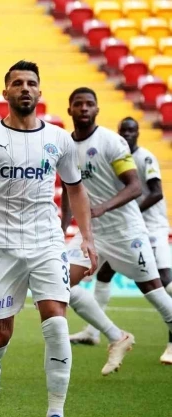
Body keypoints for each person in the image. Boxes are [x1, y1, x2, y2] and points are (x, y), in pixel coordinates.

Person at [0, 60, 97, 417]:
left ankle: (55, 414)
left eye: (31, 83)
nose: (25, 89)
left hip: (46, 241)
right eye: (17, 83)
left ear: (39, 91)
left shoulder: (59, 139)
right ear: (5, 93)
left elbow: (75, 187)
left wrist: (86, 236)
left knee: (55, 323)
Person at [62, 89, 172, 368]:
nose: (84, 108)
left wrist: (101, 208)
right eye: (78, 104)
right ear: (70, 110)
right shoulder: (65, 145)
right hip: (92, 233)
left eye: (89, 104)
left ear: (97, 110)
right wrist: (62, 227)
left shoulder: (111, 141)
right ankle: (116, 336)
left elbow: (135, 186)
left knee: (154, 291)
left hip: (127, 231)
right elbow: (68, 189)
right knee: (60, 282)